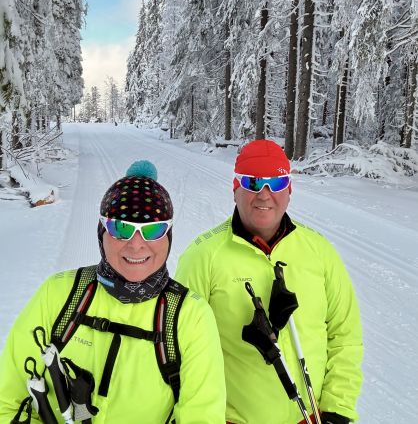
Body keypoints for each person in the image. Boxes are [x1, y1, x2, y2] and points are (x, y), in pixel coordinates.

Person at [0, 160, 226, 423]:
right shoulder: (59, 294)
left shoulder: (191, 316)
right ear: (102, 232)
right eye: (121, 228)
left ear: (169, 235)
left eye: (153, 230)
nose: (136, 245)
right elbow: (8, 402)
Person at [175, 139, 363, 424]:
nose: (264, 195)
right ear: (235, 188)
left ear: (289, 190)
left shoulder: (319, 251)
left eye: (275, 183)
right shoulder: (203, 256)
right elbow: (181, 348)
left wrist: (338, 409)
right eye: (252, 182)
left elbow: (345, 335)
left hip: (310, 417)